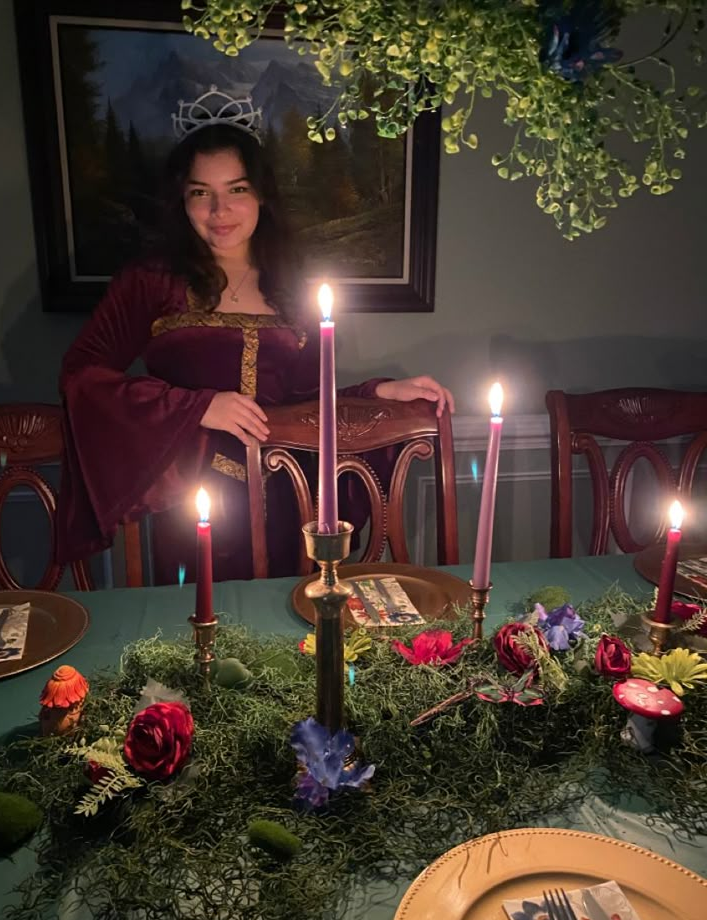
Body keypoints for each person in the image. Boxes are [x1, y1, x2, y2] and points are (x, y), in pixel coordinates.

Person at [56, 89, 454, 583]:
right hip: (191, 504)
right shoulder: (150, 281)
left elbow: (306, 402)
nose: (220, 210)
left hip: (288, 500)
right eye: (201, 192)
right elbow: (81, 376)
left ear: (261, 194)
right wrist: (197, 406)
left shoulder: (293, 287)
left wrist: (379, 392)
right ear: (182, 200)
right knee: (194, 637)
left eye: (237, 190)